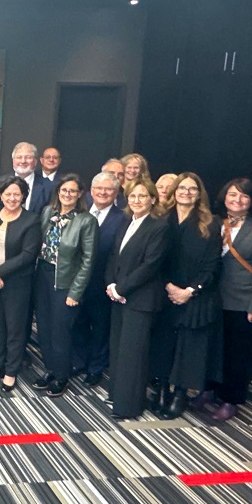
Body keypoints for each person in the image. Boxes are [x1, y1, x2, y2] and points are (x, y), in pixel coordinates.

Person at [207, 177, 252, 422]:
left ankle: (231, 400)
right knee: (214, 350)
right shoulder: (215, 223)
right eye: (232, 194)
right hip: (214, 299)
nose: (237, 200)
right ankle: (211, 390)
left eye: (243, 196)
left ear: (251, 201)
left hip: (245, 303)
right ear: (224, 197)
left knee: (238, 355)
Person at [149, 173, 222, 419]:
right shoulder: (160, 218)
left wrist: (189, 291)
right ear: (174, 191)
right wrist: (169, 286)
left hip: (195, 295)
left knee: (187, 348)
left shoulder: (210, 223)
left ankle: (179, 393)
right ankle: (160, 389)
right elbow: (154, 258)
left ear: (199, 194)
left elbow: (212, 265)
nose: (186, 192)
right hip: (163, 291)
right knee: (162, 343)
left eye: (192, 189)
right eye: (182, 188)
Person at [104, 176, 169, 419]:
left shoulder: (159, 227)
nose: (137, 200)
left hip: (140, 299)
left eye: (143, 196)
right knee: (119, 349)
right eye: (133, 196)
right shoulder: (126, 222)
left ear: (153, 199)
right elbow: (114, 256)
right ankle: (116, 395)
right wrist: (111, 284)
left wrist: (122, 289)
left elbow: (150, 265)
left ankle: (129, 406)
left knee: (134, 354)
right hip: (119, 296)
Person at [32, 174, 97, 397]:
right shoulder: (48, 213)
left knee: (61, 331)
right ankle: (51, 369)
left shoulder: (86, 220)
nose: (67, 194)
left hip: (66, 282)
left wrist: (75, 292)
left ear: (80, 194)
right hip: (43, 275)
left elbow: (88, 260)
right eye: (63, 190)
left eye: (72, 191)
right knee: (45, 327)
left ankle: (62, 375)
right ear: (58, 192)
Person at [0, 175, 42, 393]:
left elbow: (28, 254)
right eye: (8, 194)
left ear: (23, 195)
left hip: (16, 283)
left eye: (17, 194)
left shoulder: (31, 220)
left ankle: (11, 371)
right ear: (1, 195)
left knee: (14, 327)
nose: (12, 198)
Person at [72, 172, 128, 387]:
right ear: (90, 191)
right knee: (78, 322)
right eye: (98, 188)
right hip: (77, 282)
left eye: (108, 189)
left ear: (115, 193)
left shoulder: (122, 217)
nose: (103, 193)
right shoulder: (79, 212)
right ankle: (81, 361)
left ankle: (96, 367)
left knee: (101, 327)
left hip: (103, 282)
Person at [10, 142, 52, 214]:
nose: (23, 161)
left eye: (28, 157)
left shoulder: (48, 186)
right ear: (13, 160)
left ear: (35, 161)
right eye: (19, 157)